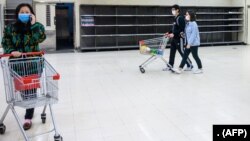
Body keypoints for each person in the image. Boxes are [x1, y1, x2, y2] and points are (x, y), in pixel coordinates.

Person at [1, 3, 46, 130]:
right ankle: (28, 105)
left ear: (31, 14)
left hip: (33, 64)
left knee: (31, 90)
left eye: (27, 12)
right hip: (17, 66)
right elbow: (5, 41)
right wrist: (11, 51)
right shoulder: (10, 28)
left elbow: (41, 38)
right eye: (22, 12)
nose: (25, 14)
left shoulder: (37, 26)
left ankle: (28, 116)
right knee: (22, 90)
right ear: (17, 13)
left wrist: (34, 25)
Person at [163, 4, 193, 71]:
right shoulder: (175, 18)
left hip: (179, 39)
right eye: (172, 10)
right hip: (174, 39)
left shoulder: (180, 18)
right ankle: (170, 65)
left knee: (182, 52)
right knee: (172, 52)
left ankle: (190, 65)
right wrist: (169, 32)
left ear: (177, 10)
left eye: (173, 9)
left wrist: (173, 34)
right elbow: (174, 28)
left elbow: (182, 29)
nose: (172, 11)